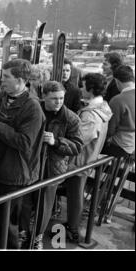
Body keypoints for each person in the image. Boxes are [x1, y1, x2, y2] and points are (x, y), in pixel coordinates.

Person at [0, 59, 45, 249]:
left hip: (15, 173)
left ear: (20, 80)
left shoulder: (32, 107)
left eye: (6, 77)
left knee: (8, 225)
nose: (2, 80)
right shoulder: (4, 96)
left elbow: (26, 142)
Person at [22, 81, 83, 249]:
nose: (58, 102)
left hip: (53, 167)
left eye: (61, 98)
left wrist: (56, 141)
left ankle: (37, 238)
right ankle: (24, 232)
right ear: (44, 97)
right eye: (54, 98)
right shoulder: (34, 109)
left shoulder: (70, 118)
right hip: (30, 163)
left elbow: (77, 146)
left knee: (44, 205)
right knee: (25, 201)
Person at [64, 73, 112, 243]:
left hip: (79, 161)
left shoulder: (90, 115)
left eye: (83, 86)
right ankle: (72, 224)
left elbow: (78, 140)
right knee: (76, 193)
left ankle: (72, 229)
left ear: (90, 90)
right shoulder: (103, 108)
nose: (80, 89)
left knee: (75, 194)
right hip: (89, 157)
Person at [102, 65, 135, 158]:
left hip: (119, 146)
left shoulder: (118, 100)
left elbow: (110, 130)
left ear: (117, 81)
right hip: (132, 146)